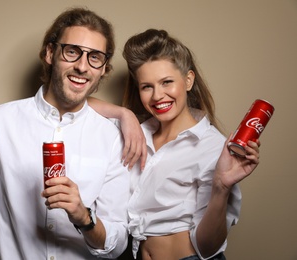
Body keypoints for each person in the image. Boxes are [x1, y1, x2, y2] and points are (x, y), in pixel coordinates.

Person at [0, 7, 145, 260]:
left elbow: (116, 243)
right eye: (72, 52)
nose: (82, 66)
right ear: (50, 53)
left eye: (94, 57)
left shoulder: (112, 137)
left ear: (104, 69)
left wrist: (84, 217)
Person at [89, 29, 260, 260]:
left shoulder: (212, 148)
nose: (158, 95)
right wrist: (124, 114)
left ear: (188, 80)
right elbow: (75, 103)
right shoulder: (136, 134)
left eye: (167, 82)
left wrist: (221, 188)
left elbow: (208, 248)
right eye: (146, 86)